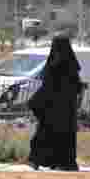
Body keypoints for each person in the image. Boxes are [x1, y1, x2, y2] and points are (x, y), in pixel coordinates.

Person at [28, 36, 84, 171]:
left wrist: (35, 101)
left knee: (45, 135)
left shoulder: (52, 66)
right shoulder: (71, 67)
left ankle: (38, 160)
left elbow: (47, 87)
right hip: (66, 112)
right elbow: (77, 87)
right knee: (64, 137)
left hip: (52, 110)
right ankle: (63, 163)